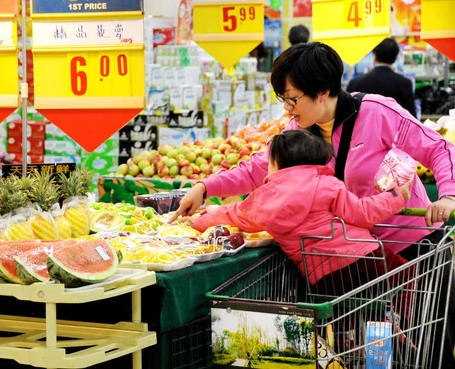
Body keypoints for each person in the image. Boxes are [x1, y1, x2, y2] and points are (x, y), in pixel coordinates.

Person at [170, 42, 455, 369]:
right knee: (372, 353)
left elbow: (438, 149)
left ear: (322, 91)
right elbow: (257, 168)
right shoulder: (297, 131)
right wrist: (205, 186)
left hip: (411, 247)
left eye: (292, 98)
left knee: (429, 346)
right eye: (283, 100)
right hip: (353, 259)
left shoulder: (377, 112)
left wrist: (447, 195)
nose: (288, 109)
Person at [192, 130, 413, 304]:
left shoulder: (264, 199)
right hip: (365, 258)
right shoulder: (327, 184)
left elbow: (234, 214)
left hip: (322, 278)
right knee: (409, 276)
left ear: (277, 164)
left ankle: (345, 345)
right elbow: (363, 213)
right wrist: (395, 196)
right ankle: (401, 322)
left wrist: (198, 221)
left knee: (342, 317)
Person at [347, 38, 416, 117]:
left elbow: (347, 115)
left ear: (374, 57)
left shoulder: (356, 83)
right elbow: (411, 117)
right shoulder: (404, 84)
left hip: (363, 128)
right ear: (395, 59)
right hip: (393, 129)